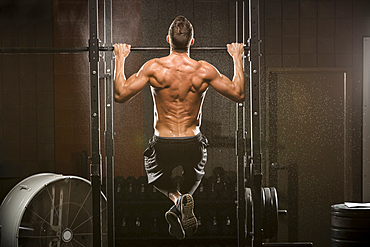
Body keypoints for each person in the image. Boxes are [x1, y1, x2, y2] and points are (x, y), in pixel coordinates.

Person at [114, 15, 245, 240]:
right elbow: (238, 93)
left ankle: (176, 200)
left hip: (163, 141)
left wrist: (120, 58)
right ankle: (182, 201)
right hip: (192, 140)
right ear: (192, 42)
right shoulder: (204, 70)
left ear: (168, 40)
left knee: (155, 176)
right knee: (194, 177)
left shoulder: (154, 67)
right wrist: (237, 57)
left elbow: (120, 94)